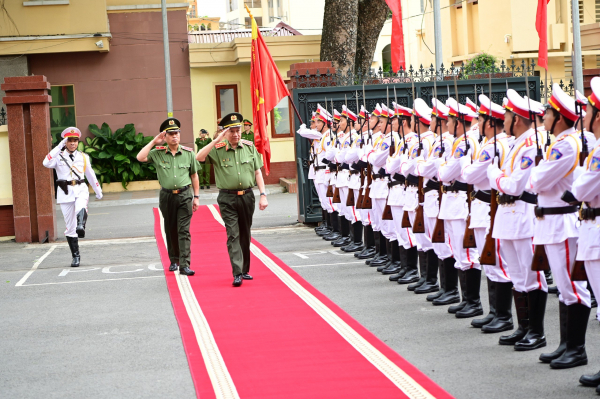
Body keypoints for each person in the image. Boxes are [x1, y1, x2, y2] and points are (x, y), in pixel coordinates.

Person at [529, 84, 591, 369]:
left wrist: (536, 174)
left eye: (548, 113)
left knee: (573, 288)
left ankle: (577, 349)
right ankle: (566, 344)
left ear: (561, 118)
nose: (544, 117)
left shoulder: (566, 145)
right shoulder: (558, 144)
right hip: (552, 222)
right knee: (565, 288)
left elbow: (538, 182)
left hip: (562, 224)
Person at [196, 112, 269, 287]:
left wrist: (263, 195)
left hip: (247, 197)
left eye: (238, 130)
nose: (236, 134)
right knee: (233, 234)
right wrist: (216, 139)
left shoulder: (249, 147)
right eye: (232, 131)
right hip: (227, 198)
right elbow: (199, 157)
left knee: (245, 233)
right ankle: (236, 272)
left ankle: (244, 270)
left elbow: (257, 172)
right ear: (225, 133)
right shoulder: (218, 149)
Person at [136, 117, 200, 277]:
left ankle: (185, 264)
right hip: (166, 196)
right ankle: (174, 260)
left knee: (183, 230)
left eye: (176, 133)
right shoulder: (158, 154)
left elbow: (194, 176)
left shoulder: (188, 153)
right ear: (165, 137)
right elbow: (140, 157)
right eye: (170, 134)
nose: (174, 136)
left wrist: (196, 197)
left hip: (185, 194)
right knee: (170, 229)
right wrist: (153, 142)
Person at [43, 127, 103, 267]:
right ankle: (75, 256)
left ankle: (81, 225)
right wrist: (58, 146)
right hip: (65, 193)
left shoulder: (83, 156)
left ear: (78, 142)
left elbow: (90, 174)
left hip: (80, 189)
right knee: (70, 227)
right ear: (65, 142)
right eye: (69, 140)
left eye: (75, 140)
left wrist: (98, 191)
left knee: (81, 207)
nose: (72, 143)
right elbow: (45, 163)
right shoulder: (58, 156)